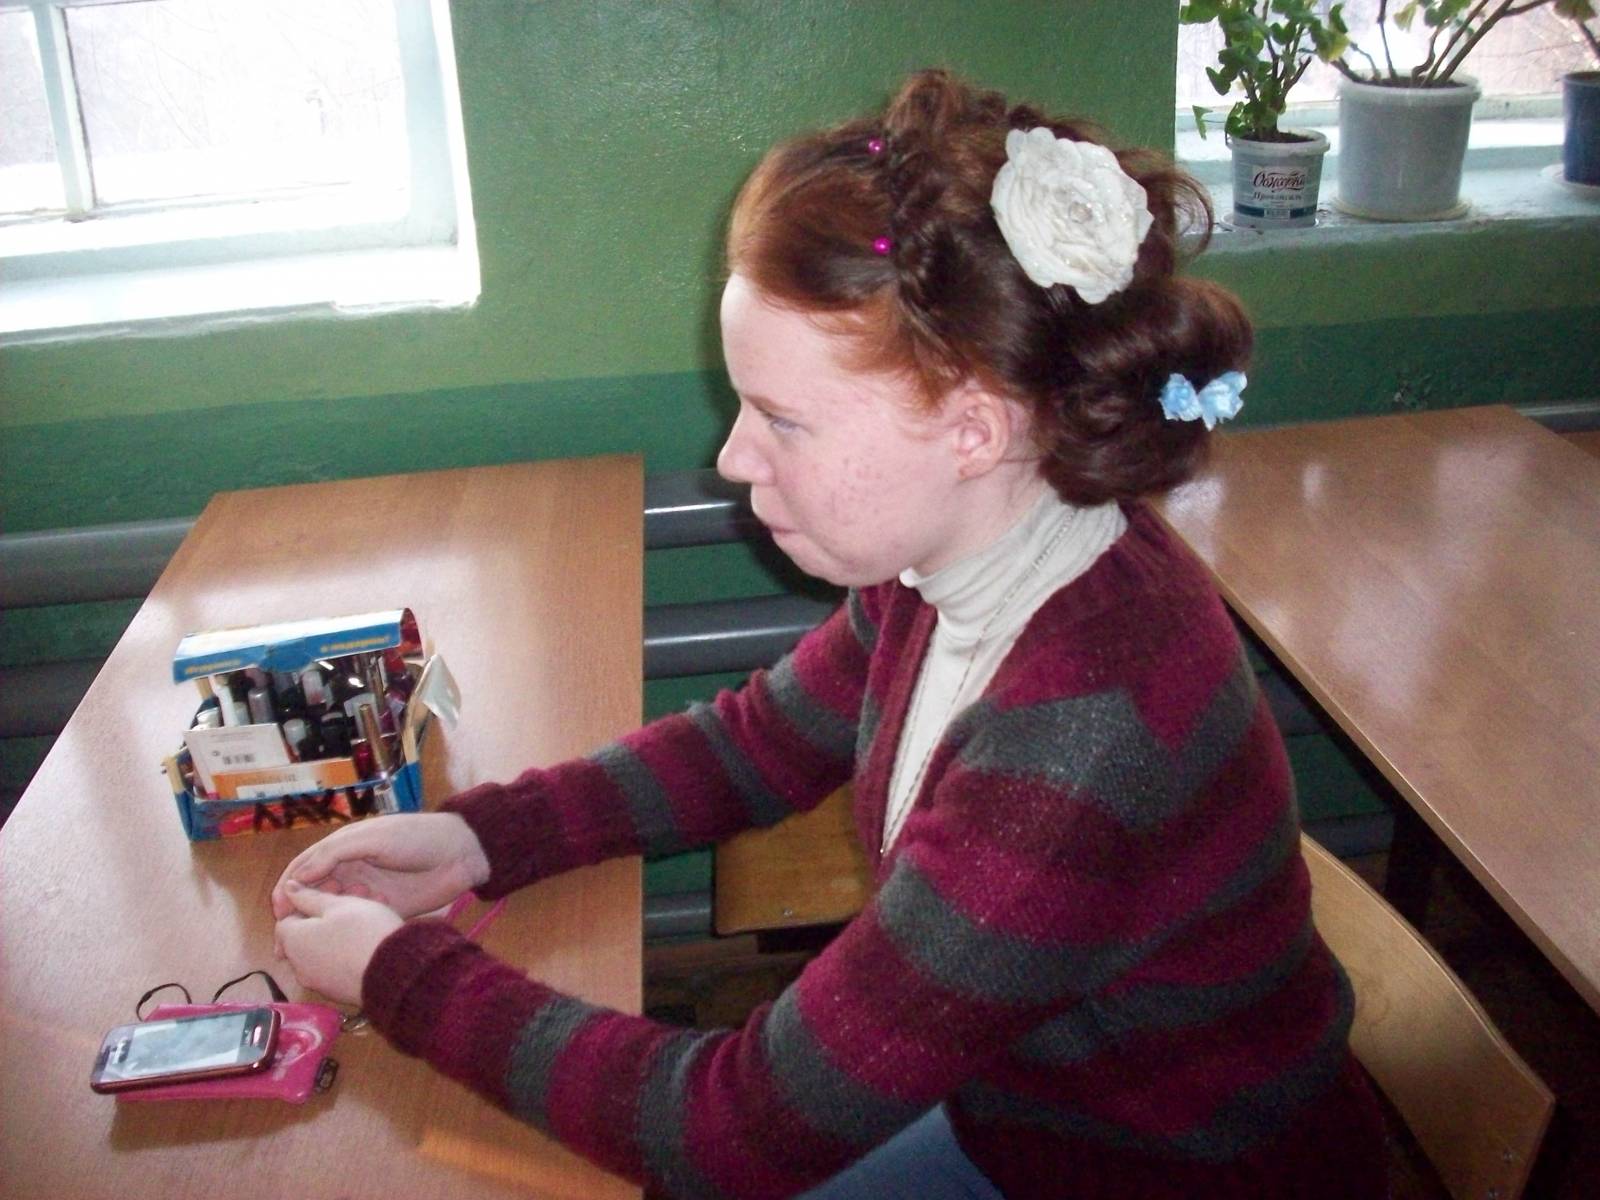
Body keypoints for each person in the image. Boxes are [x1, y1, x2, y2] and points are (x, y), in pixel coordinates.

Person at [272, 69, 1388, 1199]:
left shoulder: (1080, 737)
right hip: (1015, 1111)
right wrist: (481, 839)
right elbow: (756, 741)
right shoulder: (965, 556)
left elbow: (728, 1134)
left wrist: (401, 974)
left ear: (971, 428)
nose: (732, 457)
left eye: (781, 419)